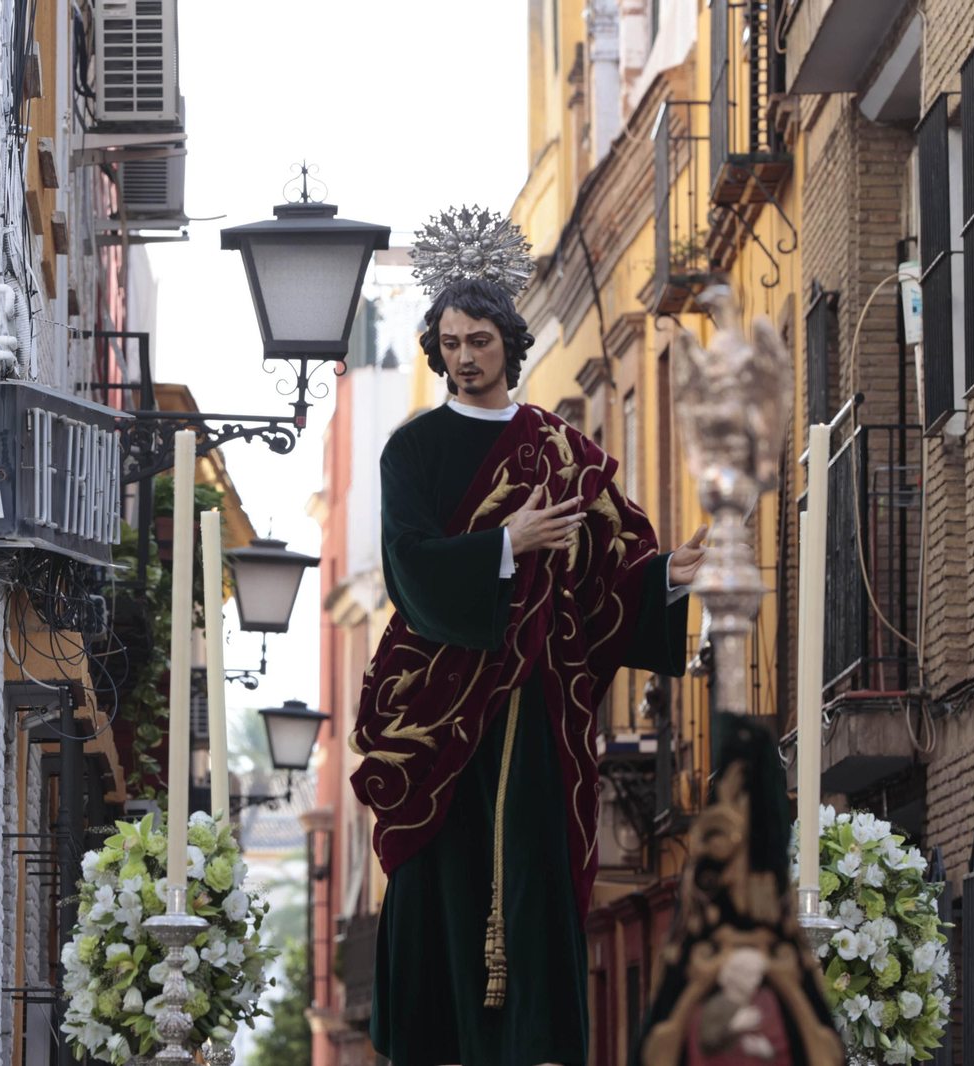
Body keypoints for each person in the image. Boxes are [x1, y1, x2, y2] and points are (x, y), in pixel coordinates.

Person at [351, 209, 707, 1066]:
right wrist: (507, 544)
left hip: (540, 706)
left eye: (479, 340)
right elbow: (409, 567)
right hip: (439, 711)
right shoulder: (413, 452)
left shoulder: (560, 449)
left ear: (509, 343)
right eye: (450, 343)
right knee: (443, 874)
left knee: (533, 874)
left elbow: (607, 579)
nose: (465, 357)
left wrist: (669, 577)